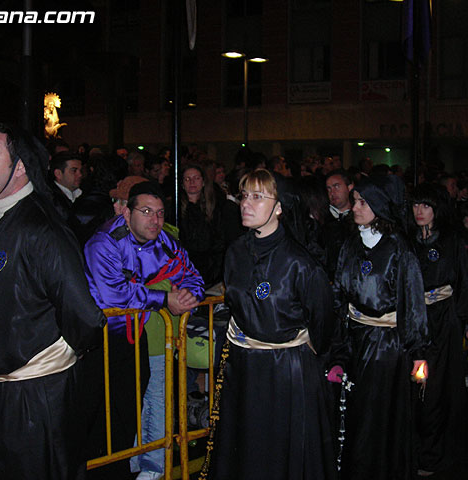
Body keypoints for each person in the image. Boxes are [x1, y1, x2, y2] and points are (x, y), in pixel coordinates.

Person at [0, 122, 106, 479]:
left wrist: (52, 359)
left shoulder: (44, 229)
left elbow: (84, 317)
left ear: (20, 165)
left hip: (39, 398)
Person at [203, 169, 337, 480]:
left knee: (280, 450)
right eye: (244, 196)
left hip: (285, 370)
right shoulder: (236, 251)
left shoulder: (299, 262)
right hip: (243, 365)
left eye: (258, 197)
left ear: (279, 207)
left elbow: (323, 321)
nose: (246, 204)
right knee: (244, 446)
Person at [84, 181, 204, 480]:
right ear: (126, 212)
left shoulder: (163, 240)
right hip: (102, 343)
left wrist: (190, 295)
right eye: (147, 211)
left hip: (140, 339)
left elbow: (191, 274)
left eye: (160, 213)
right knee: (114, 417)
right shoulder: (104, 243)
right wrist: (165, 299)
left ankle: (145, 470)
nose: (155, 220)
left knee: (147, 406)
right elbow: (114, 296)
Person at [332, 177, 429, 480]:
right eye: (355, 201)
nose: (355, 207)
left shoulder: (399, 250)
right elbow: (339, 294)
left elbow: (413, 301)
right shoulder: (349, 245)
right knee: (356, 415)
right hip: (355, 342)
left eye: (363, 202)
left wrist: (418, 350)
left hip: (386, 347)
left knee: (379, 417)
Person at [408, 184, 468, 476]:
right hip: (415, 322)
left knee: (438, 389)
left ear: (437, 209)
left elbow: (465, 281)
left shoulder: (451, 241)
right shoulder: (407, 241)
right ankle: (412, 449)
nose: (420, 211)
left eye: (426, 206)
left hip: (443, 322)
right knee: (413, 388)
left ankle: (433, 453)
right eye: (416, 205)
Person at [179, 165, 225, 288]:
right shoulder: (175, 210)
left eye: (196, 178)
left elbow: (219, 241)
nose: (192, 182)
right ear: (182, 184)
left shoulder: (214, 208)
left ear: (203, 182)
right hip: (183, 270)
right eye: (187, 179)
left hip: (209, 271)